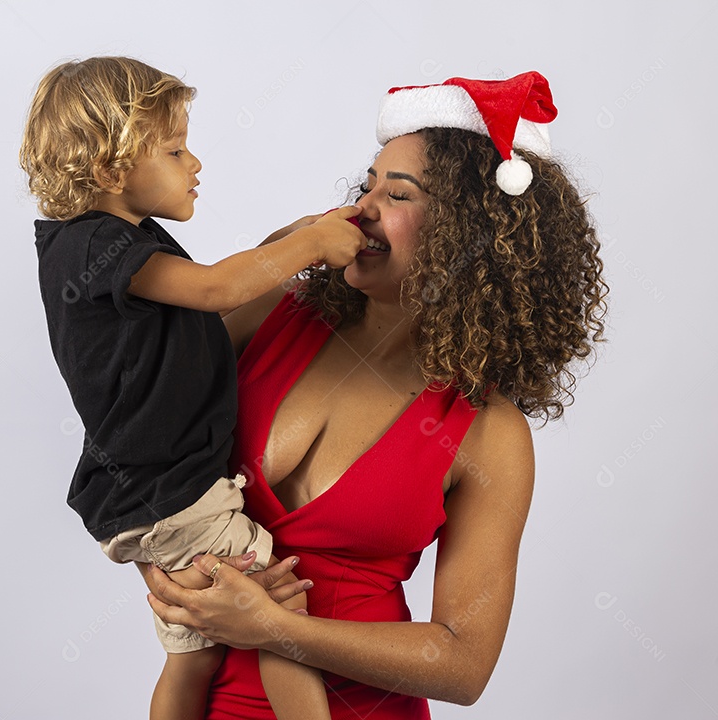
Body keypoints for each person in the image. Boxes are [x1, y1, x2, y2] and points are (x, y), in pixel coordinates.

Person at [140, 71, 608, 718]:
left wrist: (277, 629)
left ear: (471, 233)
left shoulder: (486, 432)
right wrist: (168, 581)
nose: (361, 208)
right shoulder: (272, 313)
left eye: (398, 194)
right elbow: (133, 431)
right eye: (367, 185)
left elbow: (463, 663)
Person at [19, 56, 365, 720]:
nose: (195, 163)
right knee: (274, 612)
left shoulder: (114, 242)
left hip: (149, 494)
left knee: (193, 654)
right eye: (176, 150)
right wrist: (312, 245)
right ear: (110, 169)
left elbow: (227, 285)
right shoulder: (92, 248)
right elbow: (217, 290)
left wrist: (302, 233)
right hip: (169, 491)